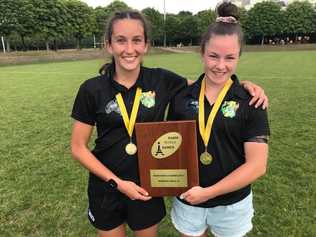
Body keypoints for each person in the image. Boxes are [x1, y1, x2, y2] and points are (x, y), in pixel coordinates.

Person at [70, 10, 268, 237]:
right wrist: (118, 183)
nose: (129, 49)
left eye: (137, 40)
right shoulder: (91, 89)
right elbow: (78, 147)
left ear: (146, 45)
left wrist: (243, 86)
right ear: (109, 45)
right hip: (107, 187)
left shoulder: (161, 79)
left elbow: (209, 84)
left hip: (147, 186)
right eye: (120, 40)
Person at [168, 2, 270, 237]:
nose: (220, 65)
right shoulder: (181, 97)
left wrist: (209, 192)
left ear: (239, 57)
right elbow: (171, 143)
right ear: (201, 52)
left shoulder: (251, 100)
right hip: (189, 199)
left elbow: (257, 165)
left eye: (229, 57)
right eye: (213, 56)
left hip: (232, 205)